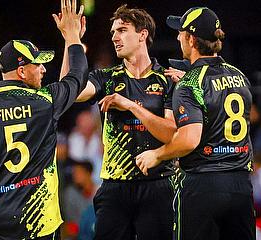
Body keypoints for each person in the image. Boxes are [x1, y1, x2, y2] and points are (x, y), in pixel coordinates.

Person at [0, 0, 88, 239]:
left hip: (0, 218)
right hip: (40, 220)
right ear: (22, 71)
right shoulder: (44, 102)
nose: (44, 69)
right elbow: (77, 76)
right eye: (38, 64)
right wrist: (73, 37)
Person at [62, 4, 182, 240]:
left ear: (142, 34)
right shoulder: (107, 78)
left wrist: (129, 105)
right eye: (113, 32)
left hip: (158, 184)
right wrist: (70, 38)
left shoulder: (167, 79)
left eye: (122, 30)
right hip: (114, 187)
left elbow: (170, 134)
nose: (115, 37)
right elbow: (69, 92)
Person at [136, 7, 256, 240]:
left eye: (180, 33)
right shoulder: (239, 75)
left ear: (191, 39)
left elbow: (190, 139)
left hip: (203, 185)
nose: (177, 38)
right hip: (241, 184)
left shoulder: (190, 83)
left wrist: (157, 155)